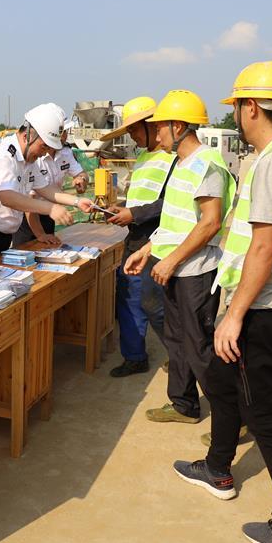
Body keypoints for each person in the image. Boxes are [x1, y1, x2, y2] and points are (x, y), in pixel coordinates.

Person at [173, 61, 272, 543]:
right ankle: (218, 468)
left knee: (266, 417)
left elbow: (264, 245)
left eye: (238, 105)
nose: (237, 114)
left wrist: (235, 315)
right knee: (223, 385)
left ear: (251, 107)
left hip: (262, 308)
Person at [123, 90, 235, 419]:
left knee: (199, 346)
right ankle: (184, 405)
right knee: (176, 340)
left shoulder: (207, 164)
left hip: (195, 272)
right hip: (175, 268)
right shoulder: (181, 164)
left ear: (179, 126)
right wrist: (148, 250)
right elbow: (175, 220)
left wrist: (171, 260)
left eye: (160, 126)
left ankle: (232, 416)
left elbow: (210, 222)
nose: (156, 133)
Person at [0, 103, 94, 257]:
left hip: (2, 235)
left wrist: (77, 201)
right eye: (43, 147)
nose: (45, 153)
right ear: (27, 136)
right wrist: (51, 208)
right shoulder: (4, 154)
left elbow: (45, 188)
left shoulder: (29, 160)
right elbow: (7, 197)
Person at [101, 96, 173, 377]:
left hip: (157, 241)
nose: (131, 136)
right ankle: (134, 357)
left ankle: (182, 355)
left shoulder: (172, 159)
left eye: (133, 129)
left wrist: (133, 214)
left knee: (156, 305)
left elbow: (170, 203)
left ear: (151, 124)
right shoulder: (143, 157)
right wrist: (122, 209)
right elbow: (140, 198)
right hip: (135, 238)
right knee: (129, 299)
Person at [12, 111, 90, 246]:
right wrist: (40, 234)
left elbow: (47, 189)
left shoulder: (65, 152)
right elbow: (24, 201)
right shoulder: (30, 157)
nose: (64, 136)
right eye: (61, 132)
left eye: (65, 131)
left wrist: (79, 193)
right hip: (28, 217)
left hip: (50, 212)